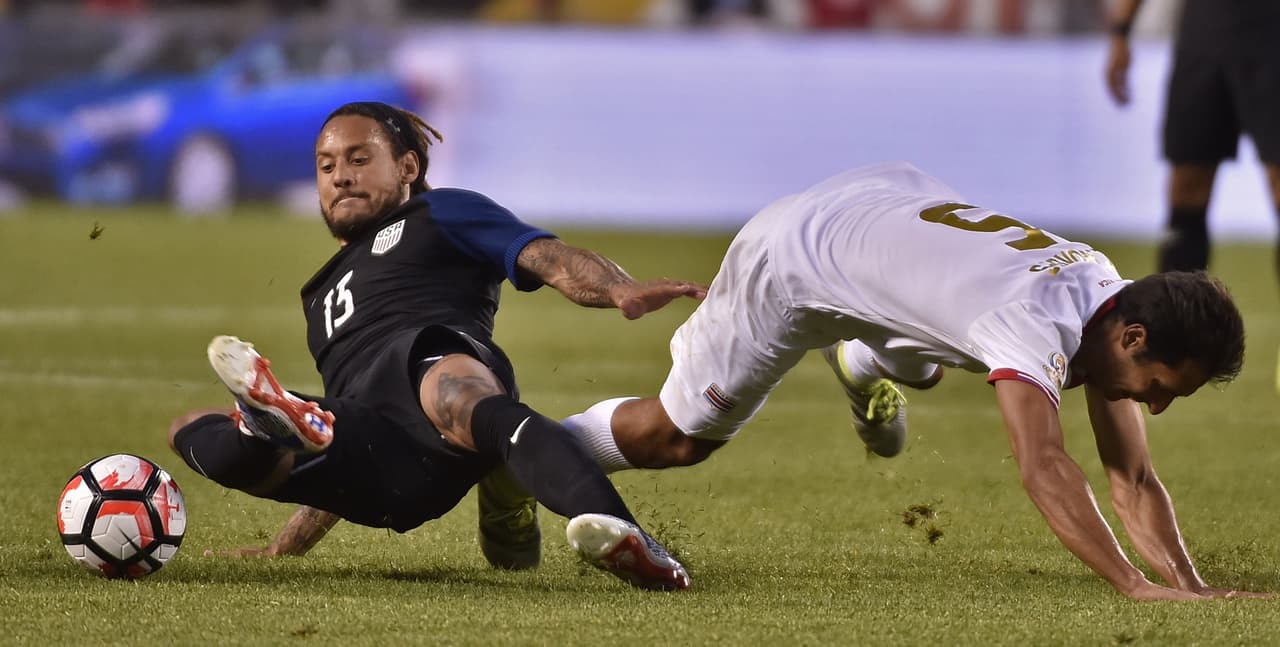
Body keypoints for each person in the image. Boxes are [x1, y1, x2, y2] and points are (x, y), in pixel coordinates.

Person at [561, 161, 1272, 600]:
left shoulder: (1111, 294)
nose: (1155, 404)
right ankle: (533, 443)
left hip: (885, 206)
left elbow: (1134, 478)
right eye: (1159, 386)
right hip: (795, 259)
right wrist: (1135, 585)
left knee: (932, 356)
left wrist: (1194, 584)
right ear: (1133, 337)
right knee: (677, 438)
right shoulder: (1036, 320)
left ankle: (868, 358)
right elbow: (1045, 464)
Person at [166, 101, 706, 591]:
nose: (341, 177)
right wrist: (286, 547)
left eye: (358, 159)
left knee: (445, 380)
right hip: (385, 467)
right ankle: (261, 429)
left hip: (438, 385)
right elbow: (344, 421)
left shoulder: (440, 214)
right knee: (191, 428)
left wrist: (617, 288)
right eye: (327, 166)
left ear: (406, 167)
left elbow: (550, 257)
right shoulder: (321, 296)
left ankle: (625, 536)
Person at [1105, 1, 1280, 278]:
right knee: (1187, 181)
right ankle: (1178, 317)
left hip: (1271, 32)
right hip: (1202, 36)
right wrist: (1120, 32)